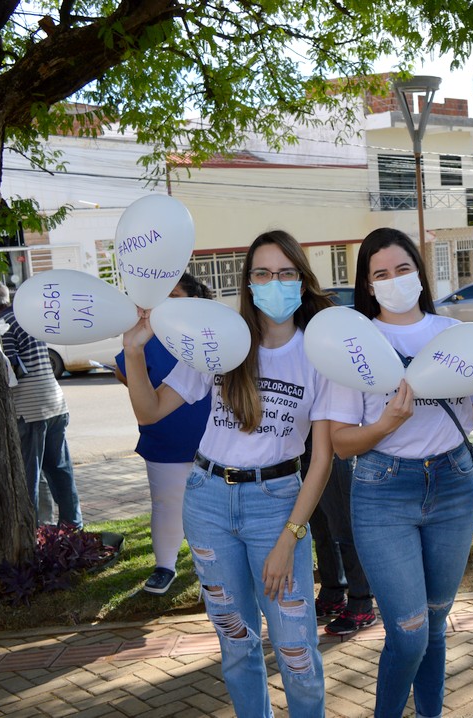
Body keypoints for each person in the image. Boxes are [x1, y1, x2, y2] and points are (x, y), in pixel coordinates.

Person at [121, 230, 335, 718]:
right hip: (208, 499)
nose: (273, 282)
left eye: (285, 273)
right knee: (237, 645)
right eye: (262, 273)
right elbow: (151, 410)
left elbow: (320, 460)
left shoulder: (318, 353)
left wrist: (290, 536)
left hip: (278, 503)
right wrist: (135, 351)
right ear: (248, 282)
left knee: (296, 651)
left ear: (301, 281)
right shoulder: (222, 341)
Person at [326, 227, 473, 718]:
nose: (394, 280)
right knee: (408, 634)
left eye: (403, 269)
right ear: (368, 285)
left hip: (453, 483)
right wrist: (386, 422)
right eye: (381, 274)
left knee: (434, 623)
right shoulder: (357, 343)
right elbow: (340, 442)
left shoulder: (454, 335)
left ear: (419, 271)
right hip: (382, 492)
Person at [113, 272, 213, 594]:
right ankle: (165, 565)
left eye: (174, 297)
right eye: (160, 299)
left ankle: (208, 571)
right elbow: (124, 373)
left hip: (209, 443)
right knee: (167, 504)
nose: (165, 306)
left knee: (209, 509)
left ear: (195, 302)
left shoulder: (208, 338)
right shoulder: (145, 340)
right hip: (165, 439)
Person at [0, 280, 83, 529]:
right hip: (55, 402)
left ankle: (30, 532)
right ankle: (73, 525)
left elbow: (12, 368)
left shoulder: (2, 325)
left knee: (29, 475)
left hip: (30, 407)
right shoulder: (26, 318)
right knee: (60, 469)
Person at [311, 451, 375, 635]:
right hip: (307, 445)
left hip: (335, 447)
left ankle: (361, 604)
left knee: (346, 527)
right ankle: (332, 595)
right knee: (321, 526)